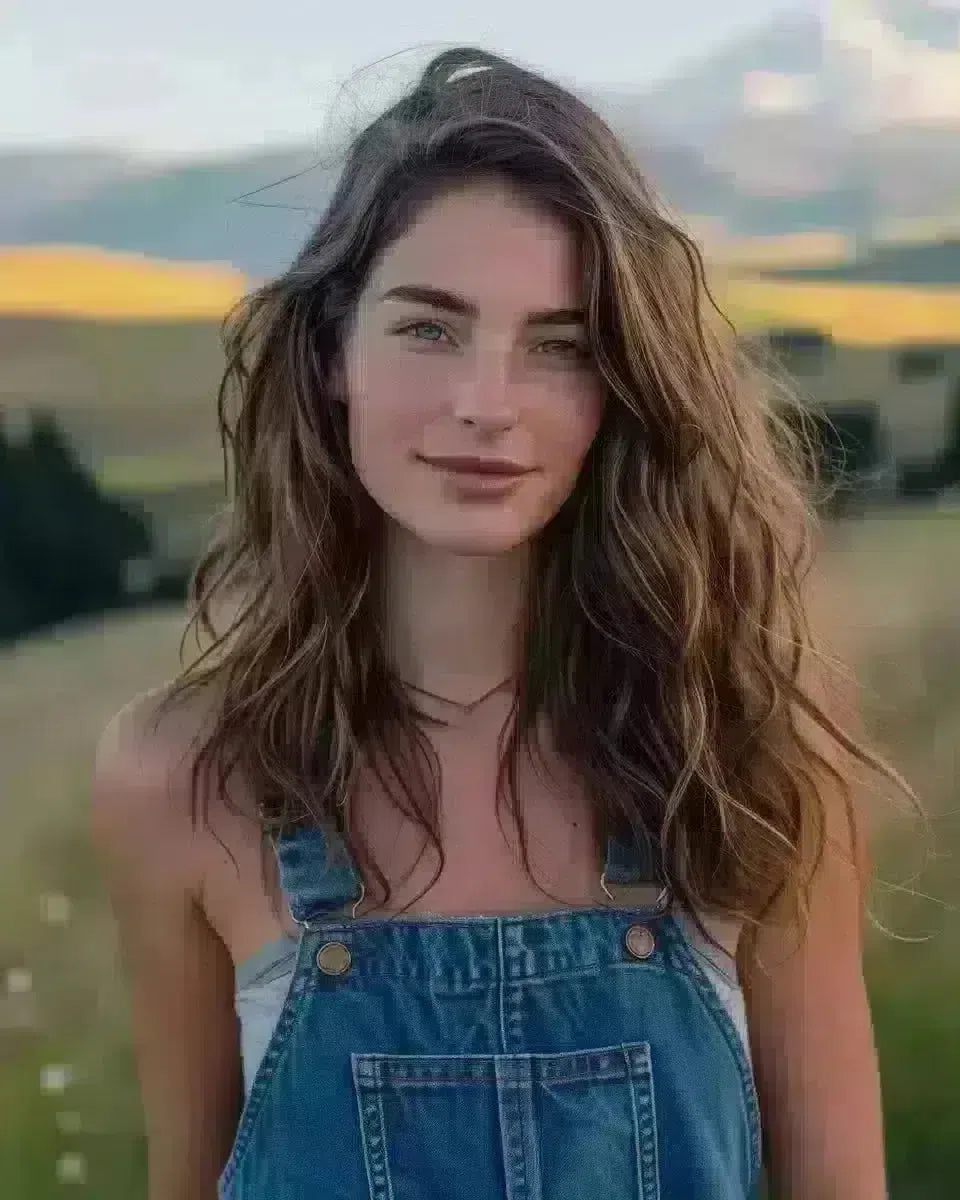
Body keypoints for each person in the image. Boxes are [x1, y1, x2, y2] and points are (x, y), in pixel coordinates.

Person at [91, 46, 911, 1200]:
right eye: (430, 328)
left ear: (623, 385)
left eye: (560, 347)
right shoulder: (178, 775)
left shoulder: (745, 753)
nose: (488, 403)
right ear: (332, 352)